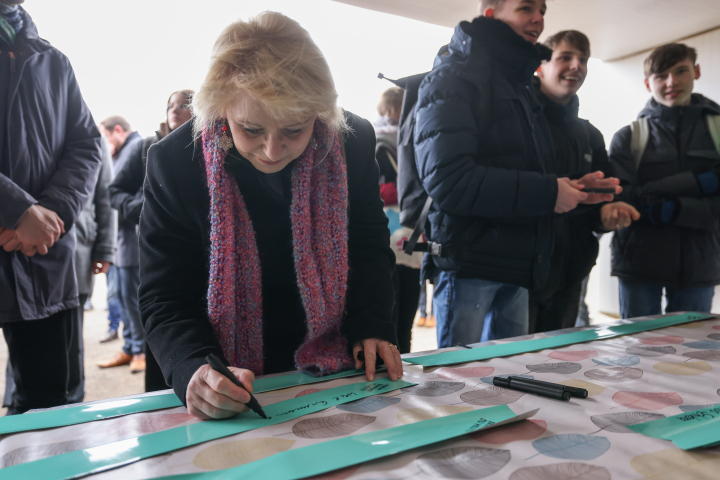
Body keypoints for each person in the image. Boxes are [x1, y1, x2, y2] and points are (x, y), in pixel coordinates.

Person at [138, 12, 402, 420]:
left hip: (331, 364)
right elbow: (164, 295)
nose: (273, 151)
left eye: (294, 130)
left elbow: (367, 244)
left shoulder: (352, 140)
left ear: (320, 112)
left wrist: (372, 322)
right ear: (220, 107)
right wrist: (192, 365)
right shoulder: (174, 163)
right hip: (223, 369)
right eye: (251, 129)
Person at [413, 0, 618, 348]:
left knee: (509, 386)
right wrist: (549, 192)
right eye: (526, 8)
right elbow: (450, 180)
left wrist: (572, 190)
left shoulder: (522, 91)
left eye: (542, 10)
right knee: (458, 388)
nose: (539, 18)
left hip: (520, 265)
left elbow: (528, 174)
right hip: (470, 266)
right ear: (490, 14)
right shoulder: (453, 77)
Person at [0, 0, 101, 414]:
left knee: (47, 406)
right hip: (26, 234)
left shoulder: (52, 59)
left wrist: (50, 215)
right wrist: (15, 211)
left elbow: (86, 144)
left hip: (41, 253)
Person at [528, 30, 634, 333]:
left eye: (583, 60)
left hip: (572, 273)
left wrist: (606, 214)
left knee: (555, 365)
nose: (576, 66)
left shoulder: (590, 134)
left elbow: (603, 199)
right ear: (540, 66)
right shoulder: (519, 123)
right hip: (522, 274)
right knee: (508, 370)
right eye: (565, 57)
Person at [608, 43, 720, 318]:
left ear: (696, 71)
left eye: (680, 71)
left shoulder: (718, 131)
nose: (672, 82)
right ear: (648, 83)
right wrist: (701, 183)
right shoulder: (629, 137)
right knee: (635, 351)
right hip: (639, 264)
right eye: (661, 76)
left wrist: (672, 207)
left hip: (700, 263)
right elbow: (626, 200)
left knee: (690, 356)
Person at [109, 89, 193, 391]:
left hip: (197, 255)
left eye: (184, 104)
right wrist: (148, 210)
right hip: (154, 251)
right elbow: (115, 190)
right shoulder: (148, 147)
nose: (175, 109)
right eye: (170, 104)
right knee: (159, 310)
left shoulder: (211, 147)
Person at [374, 87, 423, 354]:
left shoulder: (417, 143)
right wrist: (406, 193)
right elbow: (368, 191)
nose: (395, 120)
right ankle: (392, 366)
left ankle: (405, 364)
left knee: (407, 318)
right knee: (391, 318)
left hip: (411, 241)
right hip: (390, 240)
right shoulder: (374, 144)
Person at [97, 116, 146, 373]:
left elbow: (136, 195)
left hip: (133, 243)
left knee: (134, 300)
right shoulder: (121, 153)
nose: (105, 145)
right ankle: (130, 347)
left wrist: (127, 207)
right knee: (123, 300)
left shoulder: (138, 148)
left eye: (105, 137)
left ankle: (141, 351)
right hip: (120, 245)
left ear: (118, 130)